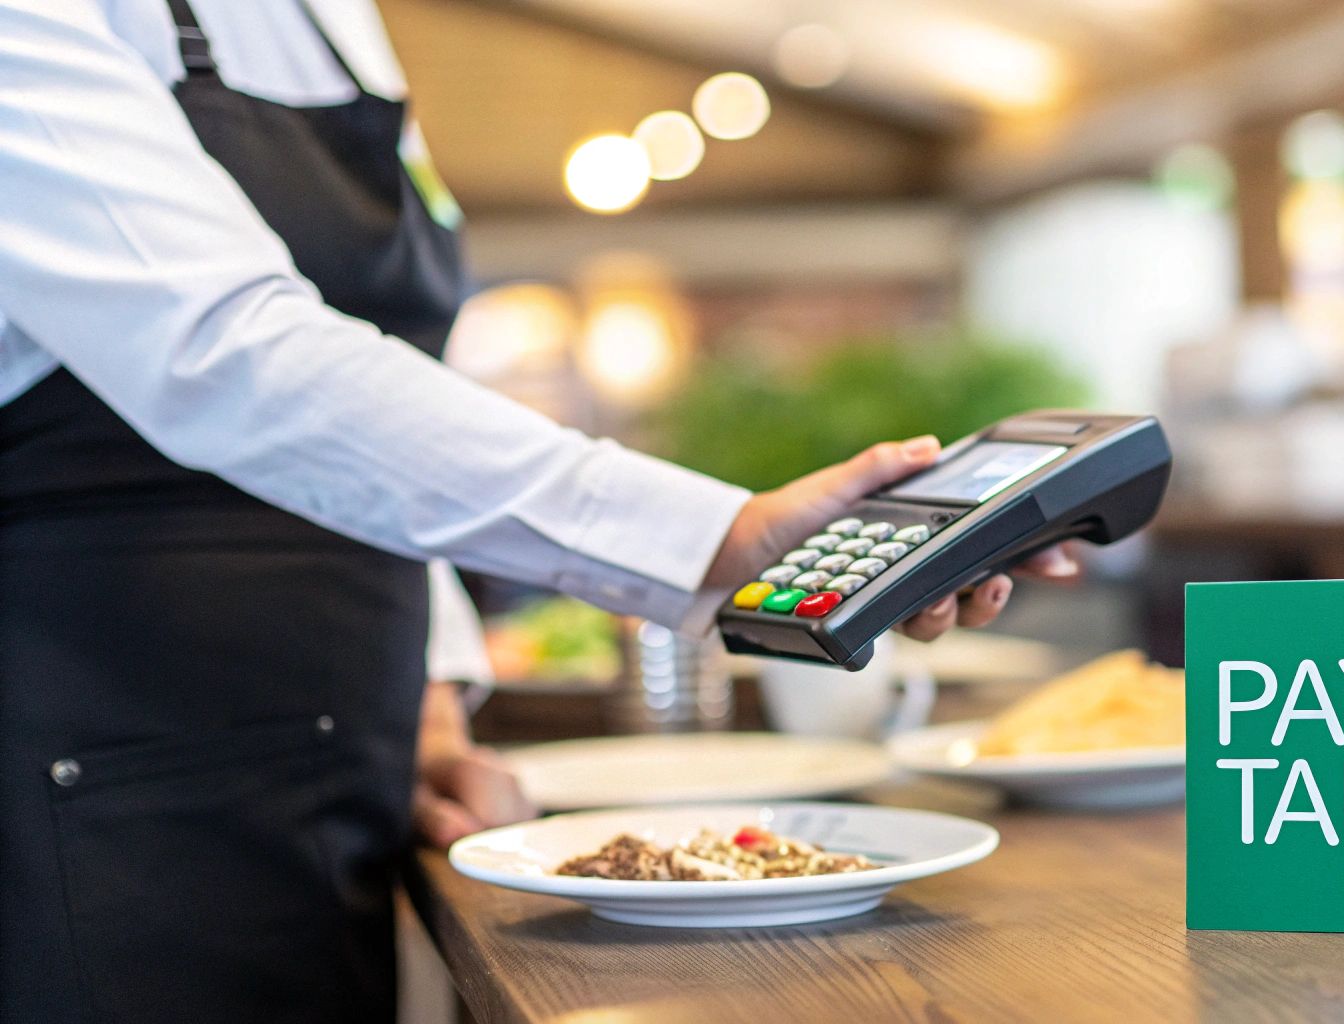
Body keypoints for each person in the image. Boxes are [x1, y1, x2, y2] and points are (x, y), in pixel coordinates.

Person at [0, 3, 1074, 1021]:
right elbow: (227, 355)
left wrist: (428, 689)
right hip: (98, 763)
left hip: (333, 754)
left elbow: (379, 384)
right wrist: (712, 539)